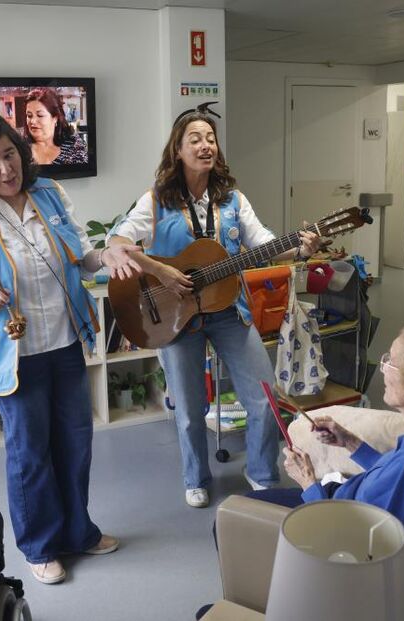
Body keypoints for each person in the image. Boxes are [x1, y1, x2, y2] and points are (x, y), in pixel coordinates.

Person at [0, 111, 140, 584]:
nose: (6, 169)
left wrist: (105, 255)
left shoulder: (50, 193)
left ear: (20, 150)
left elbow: (80, 256)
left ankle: (78, 532)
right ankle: (39, 544)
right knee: (30, 454)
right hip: (14, 354)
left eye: (9, 155)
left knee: (75, 444)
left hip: (64, 341)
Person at [105, 108, 320, 508]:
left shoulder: (233, 200)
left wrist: (300, 247)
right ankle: (195, 477)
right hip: (173, 318)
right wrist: (161, 272)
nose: (205, 145)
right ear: (178, 150)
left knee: (263, 398)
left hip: (230, 313)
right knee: (190, 409)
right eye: (195, 139)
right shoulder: (154, 202)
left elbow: (263, 242)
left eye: (210, 138)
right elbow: (116, 244)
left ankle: (261, 474)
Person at [251, 322, 404, 545]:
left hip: (335, 517)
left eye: (391, 362)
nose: (383, 368)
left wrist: (307, 482)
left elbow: (354, 539)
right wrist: (350, 442)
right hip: (349, 503)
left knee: (233, 513)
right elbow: (395, 481)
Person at [24, 87, 88, 165]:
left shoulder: (75, 148)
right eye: (29, 116)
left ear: (55, 118)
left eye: (40, 115)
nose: (32, 121)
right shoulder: (19, 148)